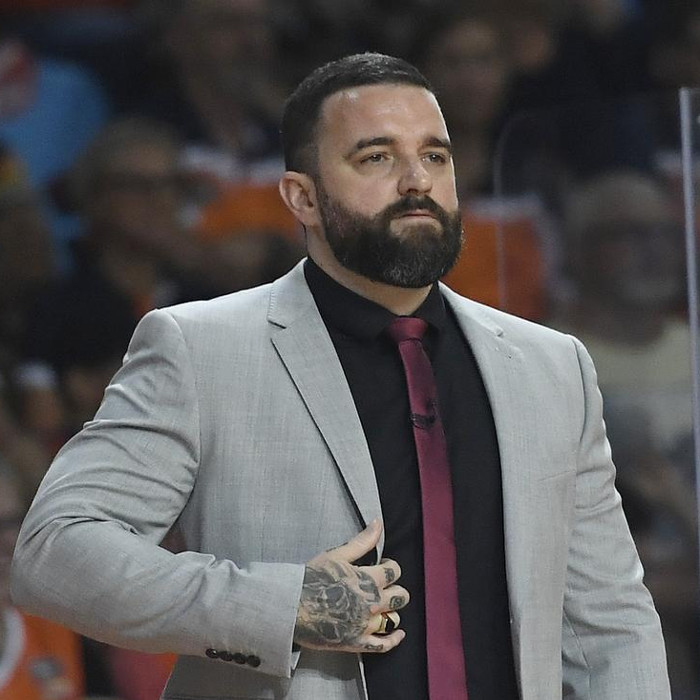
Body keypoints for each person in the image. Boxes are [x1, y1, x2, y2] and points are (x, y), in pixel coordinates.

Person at [10, 53, 670, 699]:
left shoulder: (551, 366)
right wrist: (279, 607)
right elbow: (54, 553)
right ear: (303, 197)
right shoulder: (200, 349)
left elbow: (610, 623)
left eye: (435, 156)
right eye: (376, 157)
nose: (417, 180)